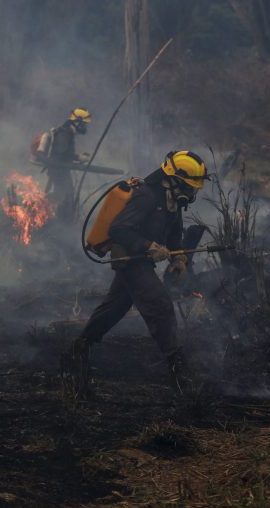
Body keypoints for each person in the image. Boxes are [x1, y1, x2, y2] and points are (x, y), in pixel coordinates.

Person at [72, 150, 209, 393]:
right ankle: (179, 373)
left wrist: (179, 258)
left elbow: (174, 231)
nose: (191, 192)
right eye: (188, 186)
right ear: (173, 179)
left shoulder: (173, 200)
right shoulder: (146, 196)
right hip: (130, 259)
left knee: (114, 308)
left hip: (142, 260)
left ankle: (78, 350)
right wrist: (148, 246)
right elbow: (118, 229)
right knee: (160, 304)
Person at [44, 107, 91, 220]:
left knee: (64, 194)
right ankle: (59, 218)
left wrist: (77, 158)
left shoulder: (68, 131)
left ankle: (61, 218)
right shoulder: (65, 133)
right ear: (77, 122)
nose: (85, 127)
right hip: (58, 169)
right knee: (65, 195)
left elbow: (64, 153)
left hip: (60, 169)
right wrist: (78, 157)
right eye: (84, 124)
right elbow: (61, 153)